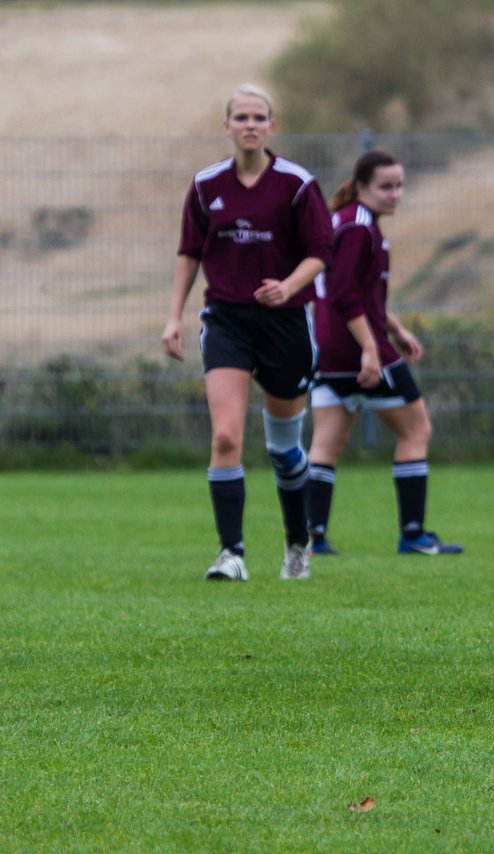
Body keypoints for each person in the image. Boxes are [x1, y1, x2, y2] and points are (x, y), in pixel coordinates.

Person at [162, 84, 332, 582]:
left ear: (272, 126)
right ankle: (230, 554)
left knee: (284, 450)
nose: (250, 124)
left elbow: (321, 251)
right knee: (225, 435)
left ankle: (298, 543)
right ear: (227, 125)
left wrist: (288, 286)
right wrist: (174, 316)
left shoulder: (297, 184)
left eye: (259, 116)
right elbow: (189, 254)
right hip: (227, 321)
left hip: (285, 322)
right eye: (241, 117)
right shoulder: (205, 185)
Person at [305, 150, 462, 558]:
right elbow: (344, 294)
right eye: (386, 186)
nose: (395, 194)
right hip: (357, 349)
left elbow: (363, 293)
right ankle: (413, 535)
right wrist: (373, 349)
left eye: (399, 186)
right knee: (416, 430)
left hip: (328, 351)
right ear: (361, 187)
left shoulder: (347, 221)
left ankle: (312, 538)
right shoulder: (359, 227)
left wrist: (398, 328)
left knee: (326, 443)